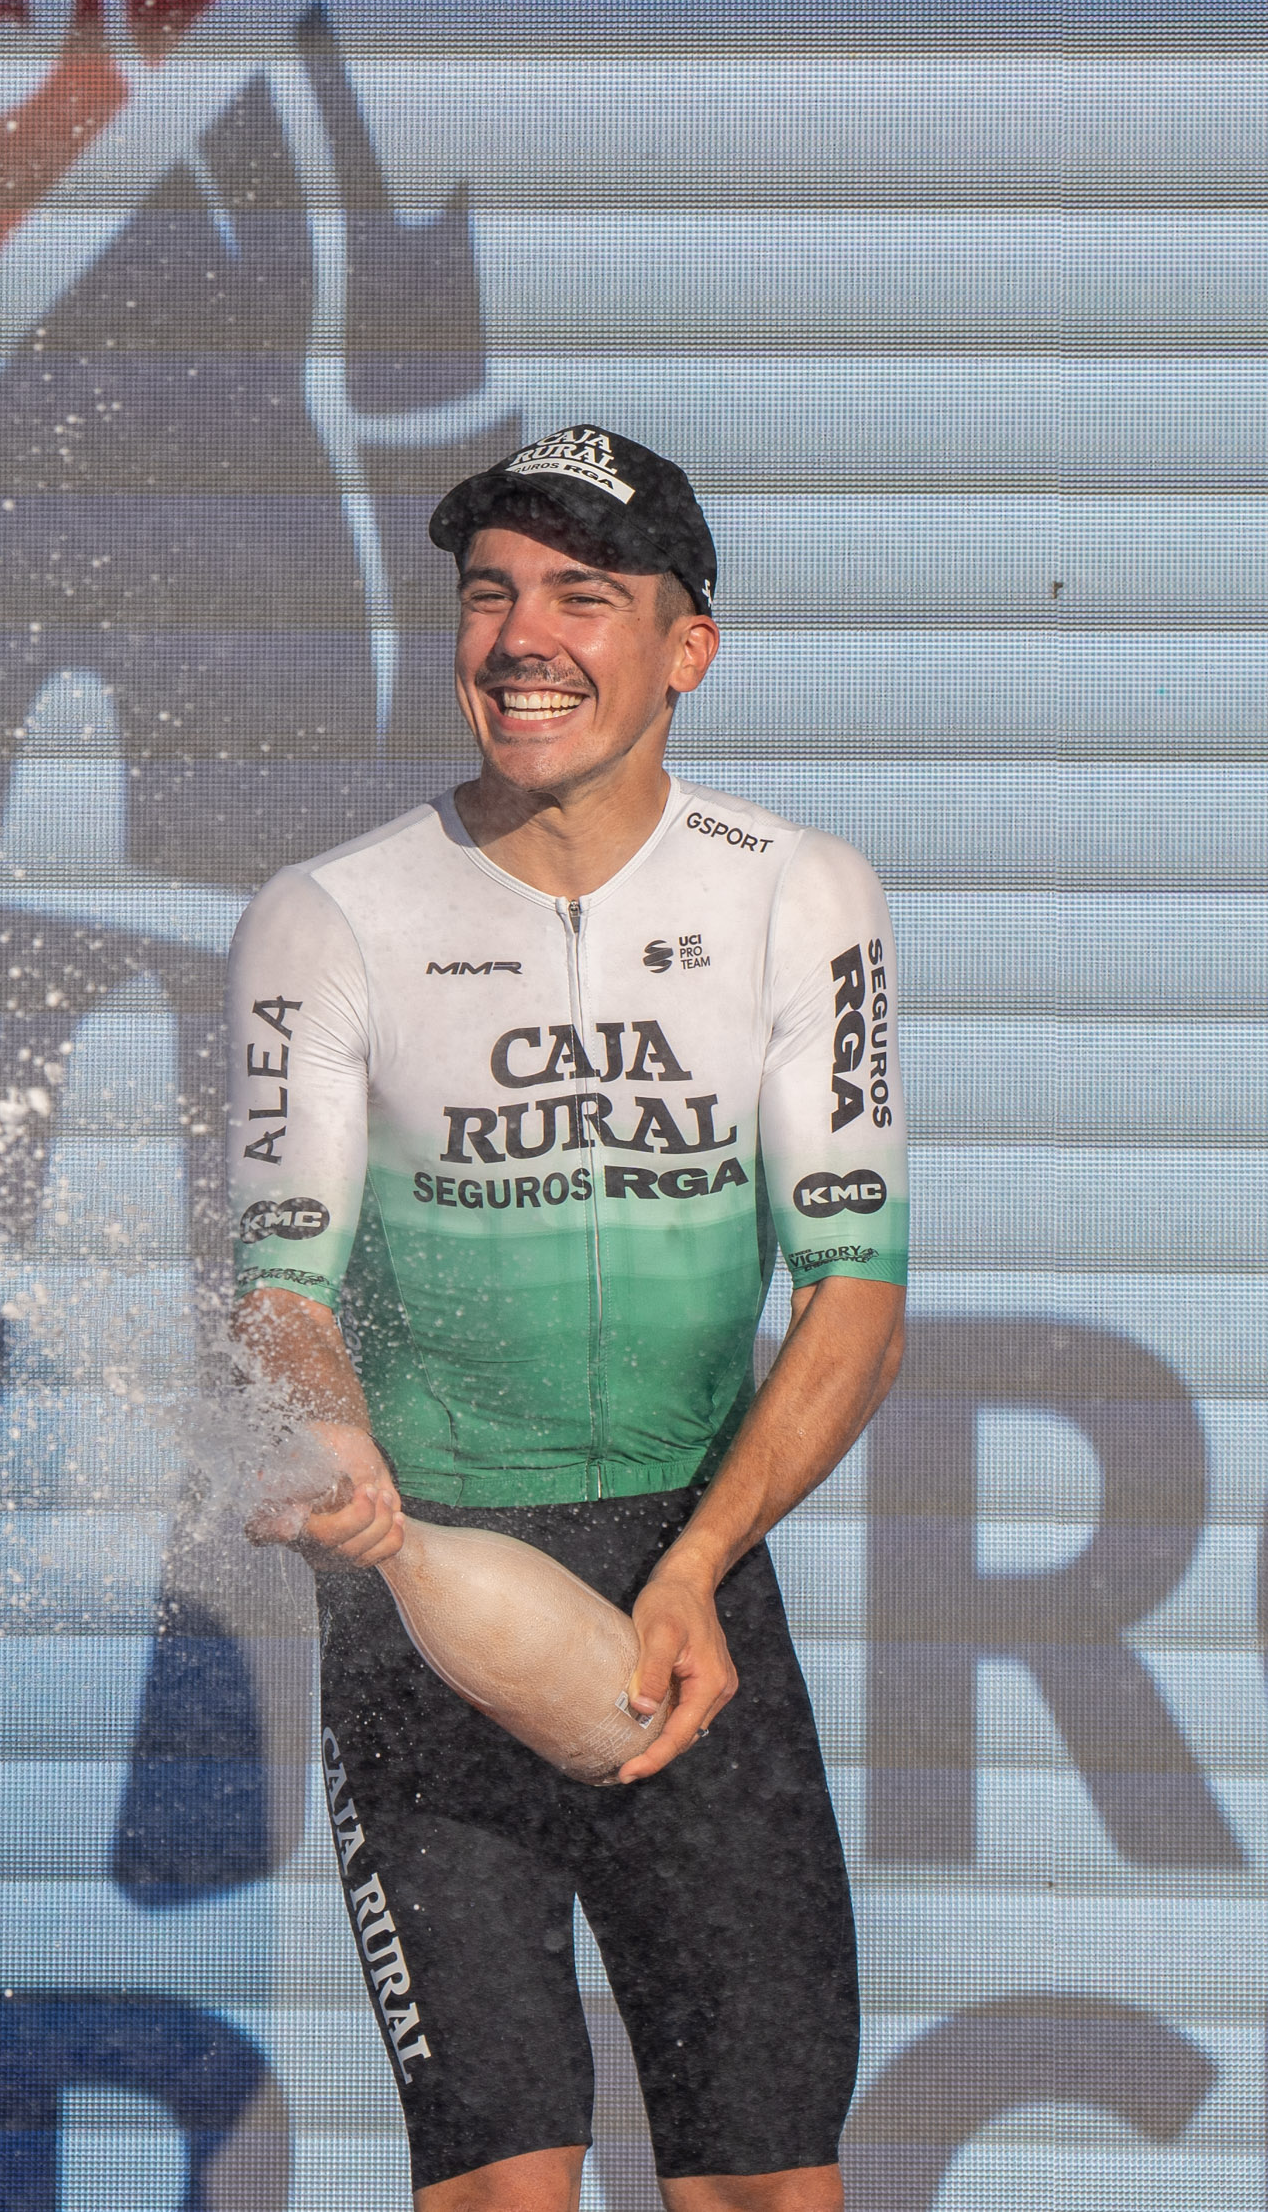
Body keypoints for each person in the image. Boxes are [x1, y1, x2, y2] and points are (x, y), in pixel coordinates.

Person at [220, 423, 910, 2209]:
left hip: (690, 1592)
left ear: (689, 646)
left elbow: (854, 1296)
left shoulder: (798, 895)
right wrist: (330, 1432)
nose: (523, 636)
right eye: (490, 594)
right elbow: (279, 1293)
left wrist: (698, 1568)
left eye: (582, 596)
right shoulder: (329, 916)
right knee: (502, 2190)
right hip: (430, 1620)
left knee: (766, 2186)